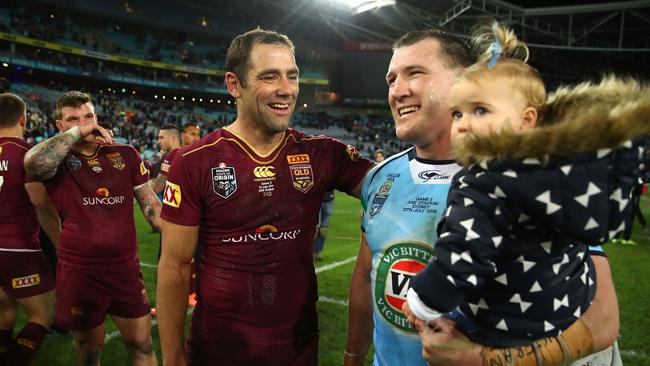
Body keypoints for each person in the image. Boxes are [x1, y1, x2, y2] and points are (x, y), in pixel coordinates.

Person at [345, 28, 623, 366]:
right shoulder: (380, 176)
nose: (397, 91)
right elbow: (365, 275)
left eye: (414, 73)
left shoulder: (526, 176)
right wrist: (354, 354)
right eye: (391, 80)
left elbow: (603, 319)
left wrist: (481, 360)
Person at [156, 28, 374, 366]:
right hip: (217, 351)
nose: (286, 89)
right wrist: (171, 359)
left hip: (297, 350)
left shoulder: (322, 154)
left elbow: (396, 184)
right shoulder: (195, 162)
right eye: (269, 77)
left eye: (292, 76)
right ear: (234, 85)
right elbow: (174, 267)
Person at [23, 91, 161, 366]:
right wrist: (77, 133)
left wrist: (188, 231)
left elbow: (152, 208)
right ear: (60, 126)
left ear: (97, 118)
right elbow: (33, 164)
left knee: (142, 344)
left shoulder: (126, 154)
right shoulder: (56, 162)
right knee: (88, 350)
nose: (84, 124)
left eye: (88, 117)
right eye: (73, 120)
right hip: (80, 272)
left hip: (124, 270)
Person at [0, 93, 59, 365]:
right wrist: (62, 245)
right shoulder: (26, 154)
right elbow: (40, 204)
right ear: (23, 118)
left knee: (4, 311)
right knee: (42, 314)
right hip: (19, 248)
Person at [149, 124, 181, 195]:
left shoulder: (174, 155)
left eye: (161, 138)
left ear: (173, 138)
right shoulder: (169, 155)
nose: (158, 141)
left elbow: (158, 186)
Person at [312, 190, 335, 261]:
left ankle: (317, 252)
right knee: (314, 228)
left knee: (323, 230)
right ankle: (310, 253)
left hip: (329, 200)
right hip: (316, 199)